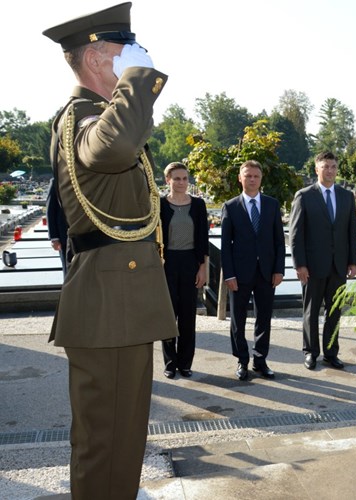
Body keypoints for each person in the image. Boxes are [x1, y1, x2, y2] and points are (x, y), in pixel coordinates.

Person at [43, 3, 178, 497]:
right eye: (127, 50)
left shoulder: (100, 117)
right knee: (103, 444)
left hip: (124, 300)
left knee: (125, 442)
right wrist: (139, 77)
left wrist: (135, 81)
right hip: (105, 301)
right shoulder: (81, 119)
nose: (137, 56)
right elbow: (113, 149)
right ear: (100, 58)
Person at [290, 151, 356, 370]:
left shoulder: (346, 196)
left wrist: (353, 261)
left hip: (338, 265)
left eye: (333, 166)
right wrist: (299, 264)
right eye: (325, 166)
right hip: (312, 266)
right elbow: (296, 233)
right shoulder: (304, 195)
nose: (329, 170)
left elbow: (352, 231)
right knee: (311, 311)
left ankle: (331, 352)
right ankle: (311, 352)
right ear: (316, 169)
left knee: (334, 310)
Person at [221, 160, 285, 380]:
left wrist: (279, 270)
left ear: (261, 179)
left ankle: (260, 360)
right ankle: (242, 361)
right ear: (240, 178)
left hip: (267, 273)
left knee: (264, 318)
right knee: (238, 319)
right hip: (239, 274)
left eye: (256, 176)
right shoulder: (230, 207)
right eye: (247, 175)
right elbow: (226, 245)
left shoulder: (272, 205)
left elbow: (279, 241)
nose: (252, 179)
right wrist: (229, 274)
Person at [160, 162, 209, 379]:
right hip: (167, 263)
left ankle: (185, 362)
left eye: (185, 178)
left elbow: (203, 240)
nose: (181, 182)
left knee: (188, 316)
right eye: (177, 178)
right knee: (168, 315)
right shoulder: (159, 205)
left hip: (191, 262)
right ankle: (170, 363)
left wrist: (203, 268)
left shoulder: (198, 205)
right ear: (167, 180)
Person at [46, 179, 69, 275]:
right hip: (65, 235)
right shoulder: (57, 180)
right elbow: (51, 209)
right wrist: (54, 237)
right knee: (68, 271)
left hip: (87, 234)